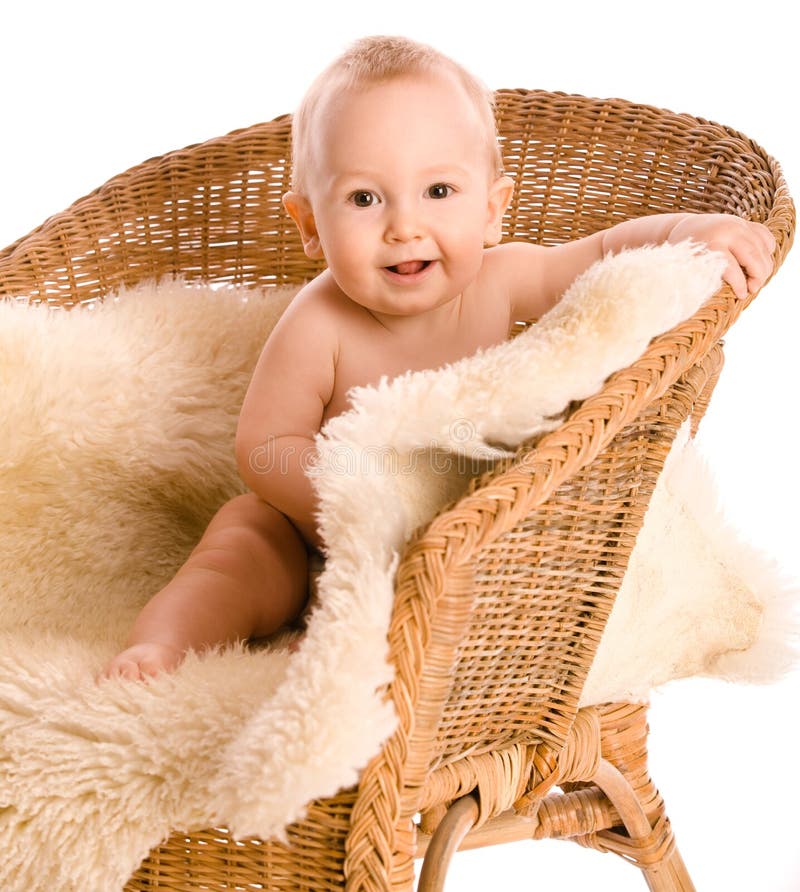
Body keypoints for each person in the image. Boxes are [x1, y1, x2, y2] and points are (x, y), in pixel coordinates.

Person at [104, 35, 776, 680]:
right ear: (310, 224)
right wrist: (356, 509)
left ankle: (367, 648)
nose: (404, 226)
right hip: (313, 530)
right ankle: (163, 646)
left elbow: (605, 259)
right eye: (365, 198)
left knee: (490, 581)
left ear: (492, 210)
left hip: (457, 535)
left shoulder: (505, 278)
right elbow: (264, 446)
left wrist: (692, 234)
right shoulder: (318, 323)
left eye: (439, 192)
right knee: (238, 548)